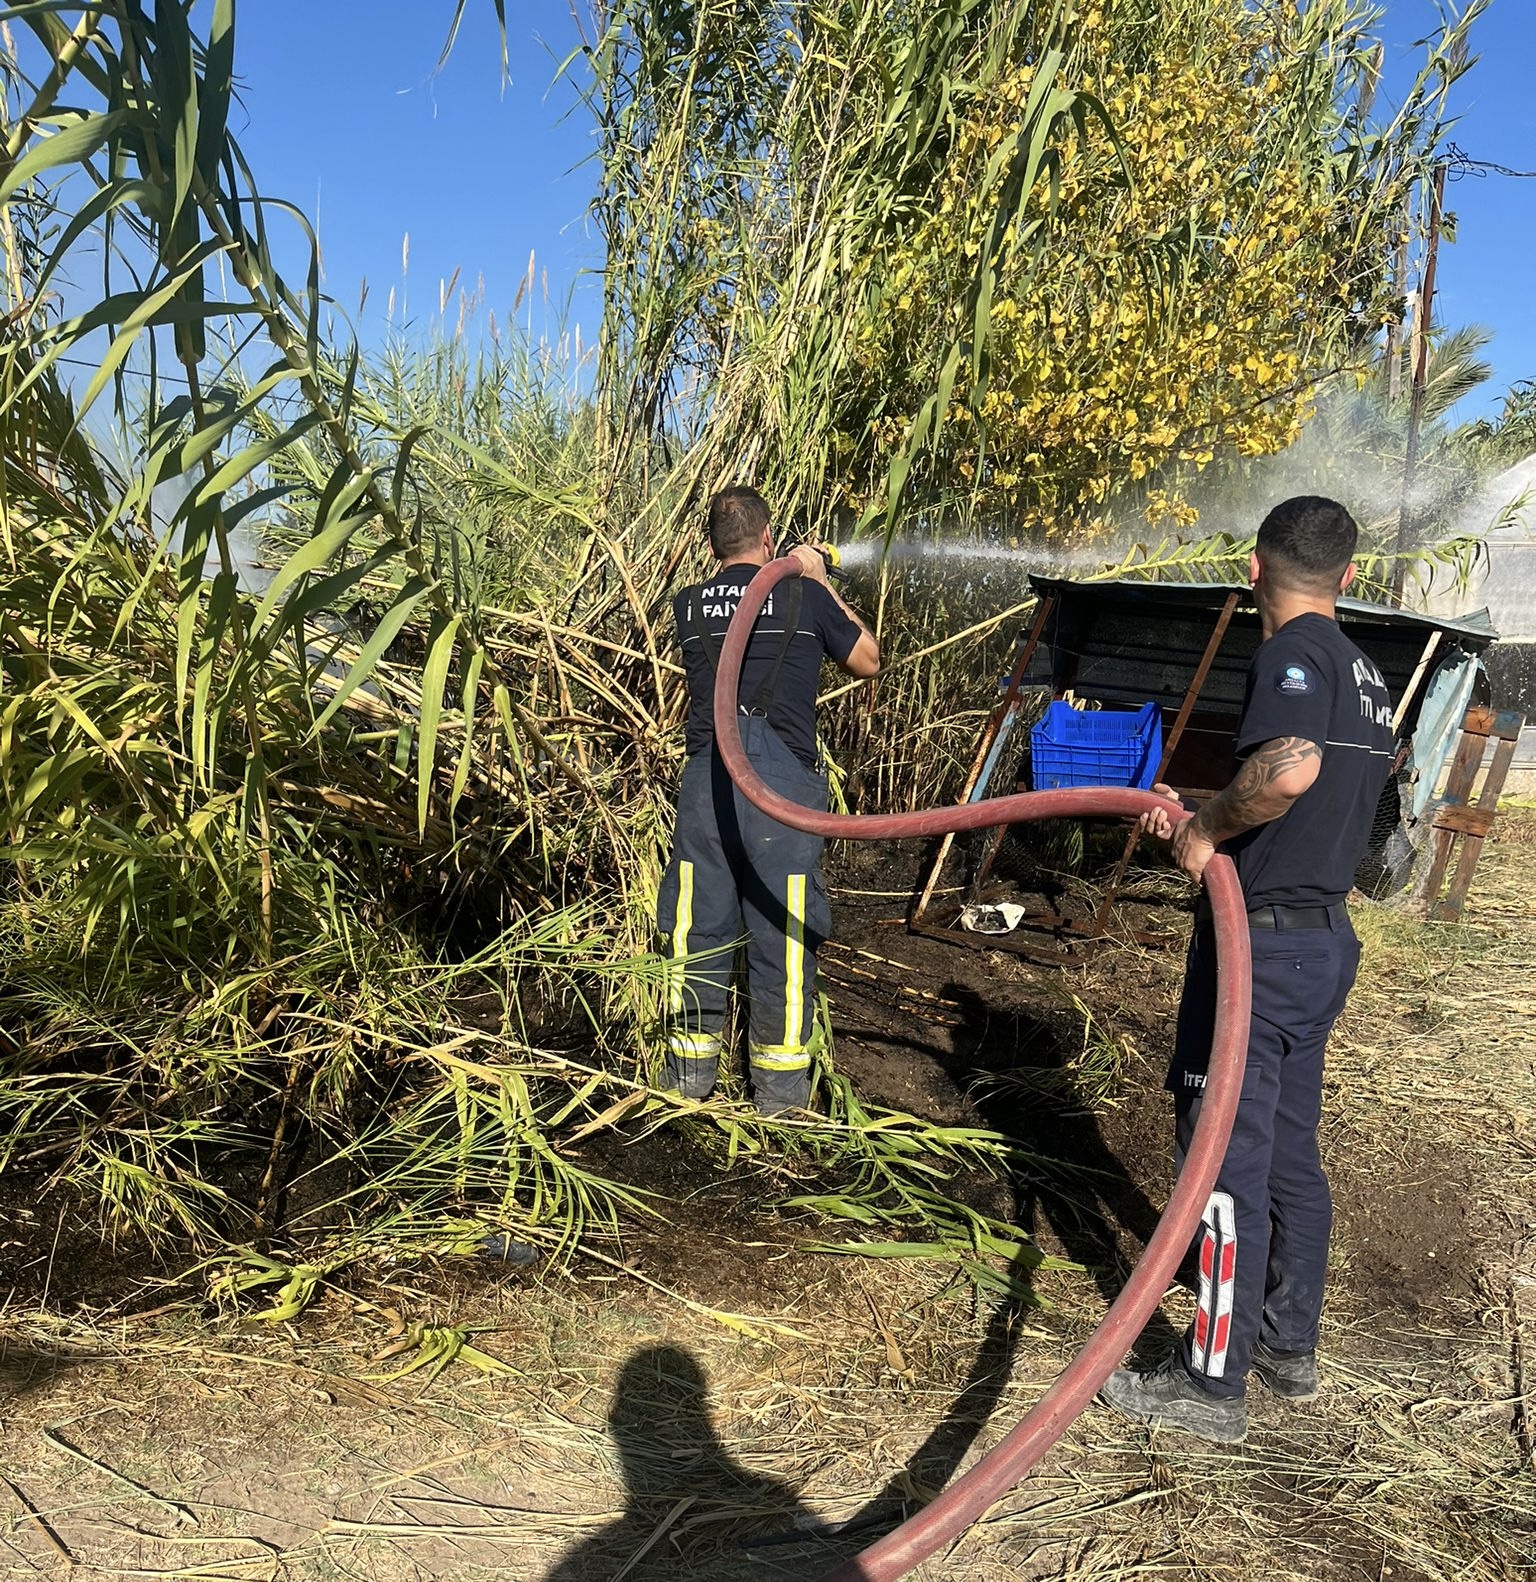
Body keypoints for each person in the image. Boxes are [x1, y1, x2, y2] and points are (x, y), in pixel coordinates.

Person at [1101, 496, 1394, 1444]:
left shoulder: (1291, 655)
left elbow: (1287, 771)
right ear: (1348, 575)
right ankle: (1286, 1343)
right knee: (1290, 1148)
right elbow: (1301, 794)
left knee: (1223, 1155)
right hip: (1319, 940)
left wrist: (1205, 830)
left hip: (1257, 950)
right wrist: (1197, 808)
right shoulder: (1365, 672)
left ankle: (1211, 1382)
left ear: (1256, 570)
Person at [655, 486, 880, 1115]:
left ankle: (686, 1082)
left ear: (708, 544)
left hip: (707, 783)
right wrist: (816, 577)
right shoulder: (803, 592)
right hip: (781, 787)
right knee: (782, 928)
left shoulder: (688, 604)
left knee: (694, 927)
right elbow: (868, 659)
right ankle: (780, 1097)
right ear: (770, 537)